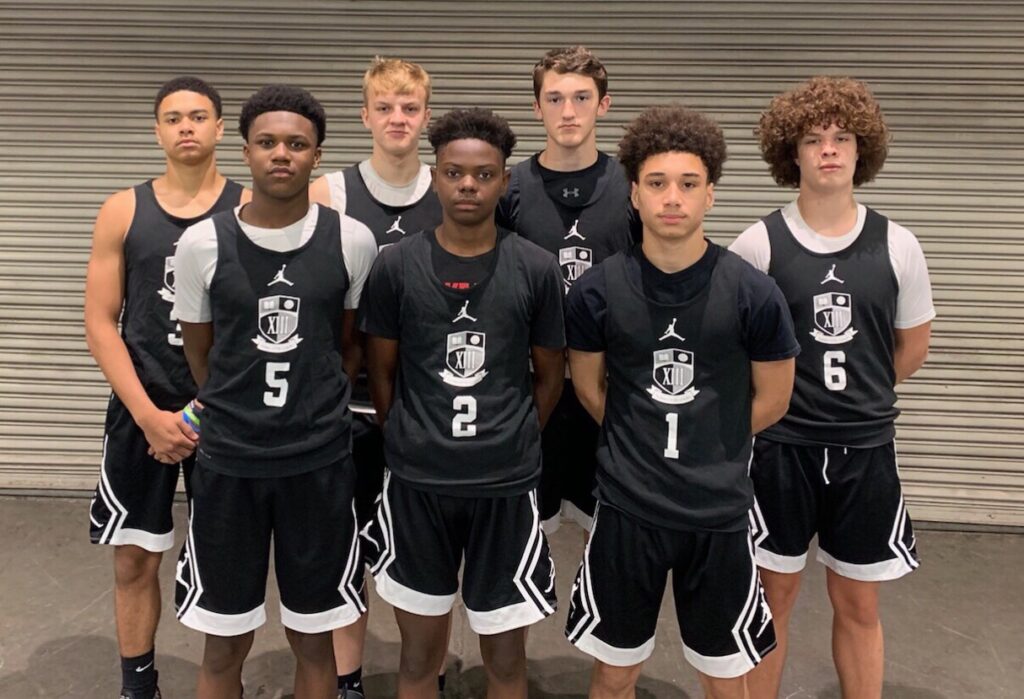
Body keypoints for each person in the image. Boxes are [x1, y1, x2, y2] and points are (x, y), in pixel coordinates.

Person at [563, 105, 800, 699]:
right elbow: (589, 389)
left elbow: (774, 398)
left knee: (724, 678)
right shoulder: (595, 291)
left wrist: (708, 436)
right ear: (635, 195)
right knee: (613, 675)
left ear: (710, 194)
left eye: (689, 184)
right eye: (657, 183)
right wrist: (640, 435)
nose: (673, 198)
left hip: (717, 514)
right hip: (627, 509)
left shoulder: (753, 292)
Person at [730, 76, 934, 699]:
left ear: (860, 148)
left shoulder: (898, 244)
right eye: (813, 138)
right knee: (772, 597)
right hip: (781, 449)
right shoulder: (757, 244)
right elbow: (733, 356)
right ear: (790, 153)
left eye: (842, 137)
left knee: (859, 602)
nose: (828, 149)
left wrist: (854, 397)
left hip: (864, 452)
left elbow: (910, 350)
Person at [171, 84, 377, 699]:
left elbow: (347, 347)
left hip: (317, 463)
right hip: (229, 464)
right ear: (246, 152)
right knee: (223, 642)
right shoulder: (201, 243)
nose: (281, 154)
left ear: (317, 155)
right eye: (267, 142)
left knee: (314, 639)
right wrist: (237, 409)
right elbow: (202, 355)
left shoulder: (352, 239)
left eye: (296, 143)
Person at [359, 108, 566, 699]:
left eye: (483, 174)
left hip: (504, 484)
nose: (468, 185)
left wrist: (514, 433)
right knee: (419, 657)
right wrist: (407, 435)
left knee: (505, 659)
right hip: (418, 482)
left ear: (504, 181)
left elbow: (550, 375)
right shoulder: (396, 265)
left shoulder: (535, 267)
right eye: (454, 173)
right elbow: (381, 373)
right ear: (435, 178)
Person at [84, 75, 247, 699]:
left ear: (219, 129)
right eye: (173, 118)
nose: (186, 127)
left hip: (222, 412)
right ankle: (138, 687)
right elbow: (101, 322)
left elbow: (254, 327)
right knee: (133, 557)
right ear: (157, 132)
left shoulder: (247, 208)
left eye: (198, 116)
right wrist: (150, 415)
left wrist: (198, 413)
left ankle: (221, 685)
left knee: (225, 562)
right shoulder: (123, 209)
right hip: (140, 411)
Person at [309, 57, 443, 699]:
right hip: (353, 407)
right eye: (385, 108)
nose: (397, 119)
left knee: (431, 558)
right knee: (349, 553)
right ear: (364, 116)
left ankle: (429, 675)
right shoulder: (329, 193)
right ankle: (349, 681)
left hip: (428, 404)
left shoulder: (451, 187)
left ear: (425, 117)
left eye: (409, 108)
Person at [497, 45, 636, 534]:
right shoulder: (511, 187)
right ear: (537, 107)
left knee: (611, 535)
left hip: (609, 390)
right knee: (529, 535)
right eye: (554, 99)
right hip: (535, 388)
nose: (568, 111)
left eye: (581, 97)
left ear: (604, 104)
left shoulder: (633, 186)